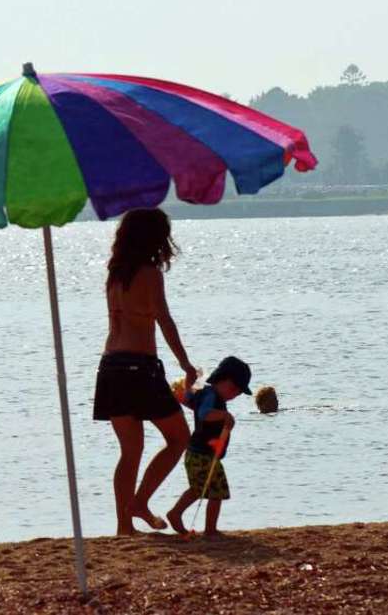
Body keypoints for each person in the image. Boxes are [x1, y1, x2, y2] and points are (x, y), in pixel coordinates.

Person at [93, 208, 198, 536]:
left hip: (111, 366)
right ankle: (139, 503)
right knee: (179, 438)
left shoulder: (115, 274)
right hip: (139, 367)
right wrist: (185, 363)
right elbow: (164, 320)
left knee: (130, 451)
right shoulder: (150, 273)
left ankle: (124, 526)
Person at [166, 356, 253, 536]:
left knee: (198, 489)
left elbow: (190, 399)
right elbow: (204, 414)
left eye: (238, 393)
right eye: (233, 388)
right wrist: (225, 416)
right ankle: (209, 529)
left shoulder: (206, 394)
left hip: (200, 453)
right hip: (201, 454)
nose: (234, 394)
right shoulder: (210, 395)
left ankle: (176, 513)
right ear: (220, 379)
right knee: (217, 492)